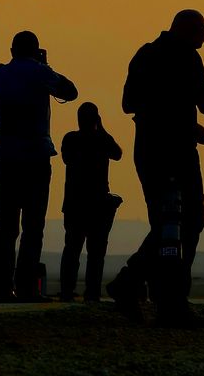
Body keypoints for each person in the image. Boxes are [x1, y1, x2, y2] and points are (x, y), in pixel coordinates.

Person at [108, 9, 204, 325]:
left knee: (165, 225)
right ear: (192, 30)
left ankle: (134, 285)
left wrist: (183, 123)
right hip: (176, 153)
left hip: (148, 147)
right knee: (187, 224)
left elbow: (129, 104)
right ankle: (168, 302)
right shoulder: (188, 57)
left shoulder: (145, 54)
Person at [0, 30, 78, 301]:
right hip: (35, 157)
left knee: (6, 225)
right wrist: (45, 66)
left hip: (6, 156)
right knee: (33, 225)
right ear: (35, 50)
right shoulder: (40, 73)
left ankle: (2, 286)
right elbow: (70, 92)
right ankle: (26, 287)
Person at [58, 101, 123, 302]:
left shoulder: (70, 139)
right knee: (95, 252)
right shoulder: (101, 140)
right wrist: (101, 129)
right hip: (97, 204)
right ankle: (92, 291)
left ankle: (68, 290)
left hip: (75, 203)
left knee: (72, 249)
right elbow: (118, 153)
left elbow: (67, 159)